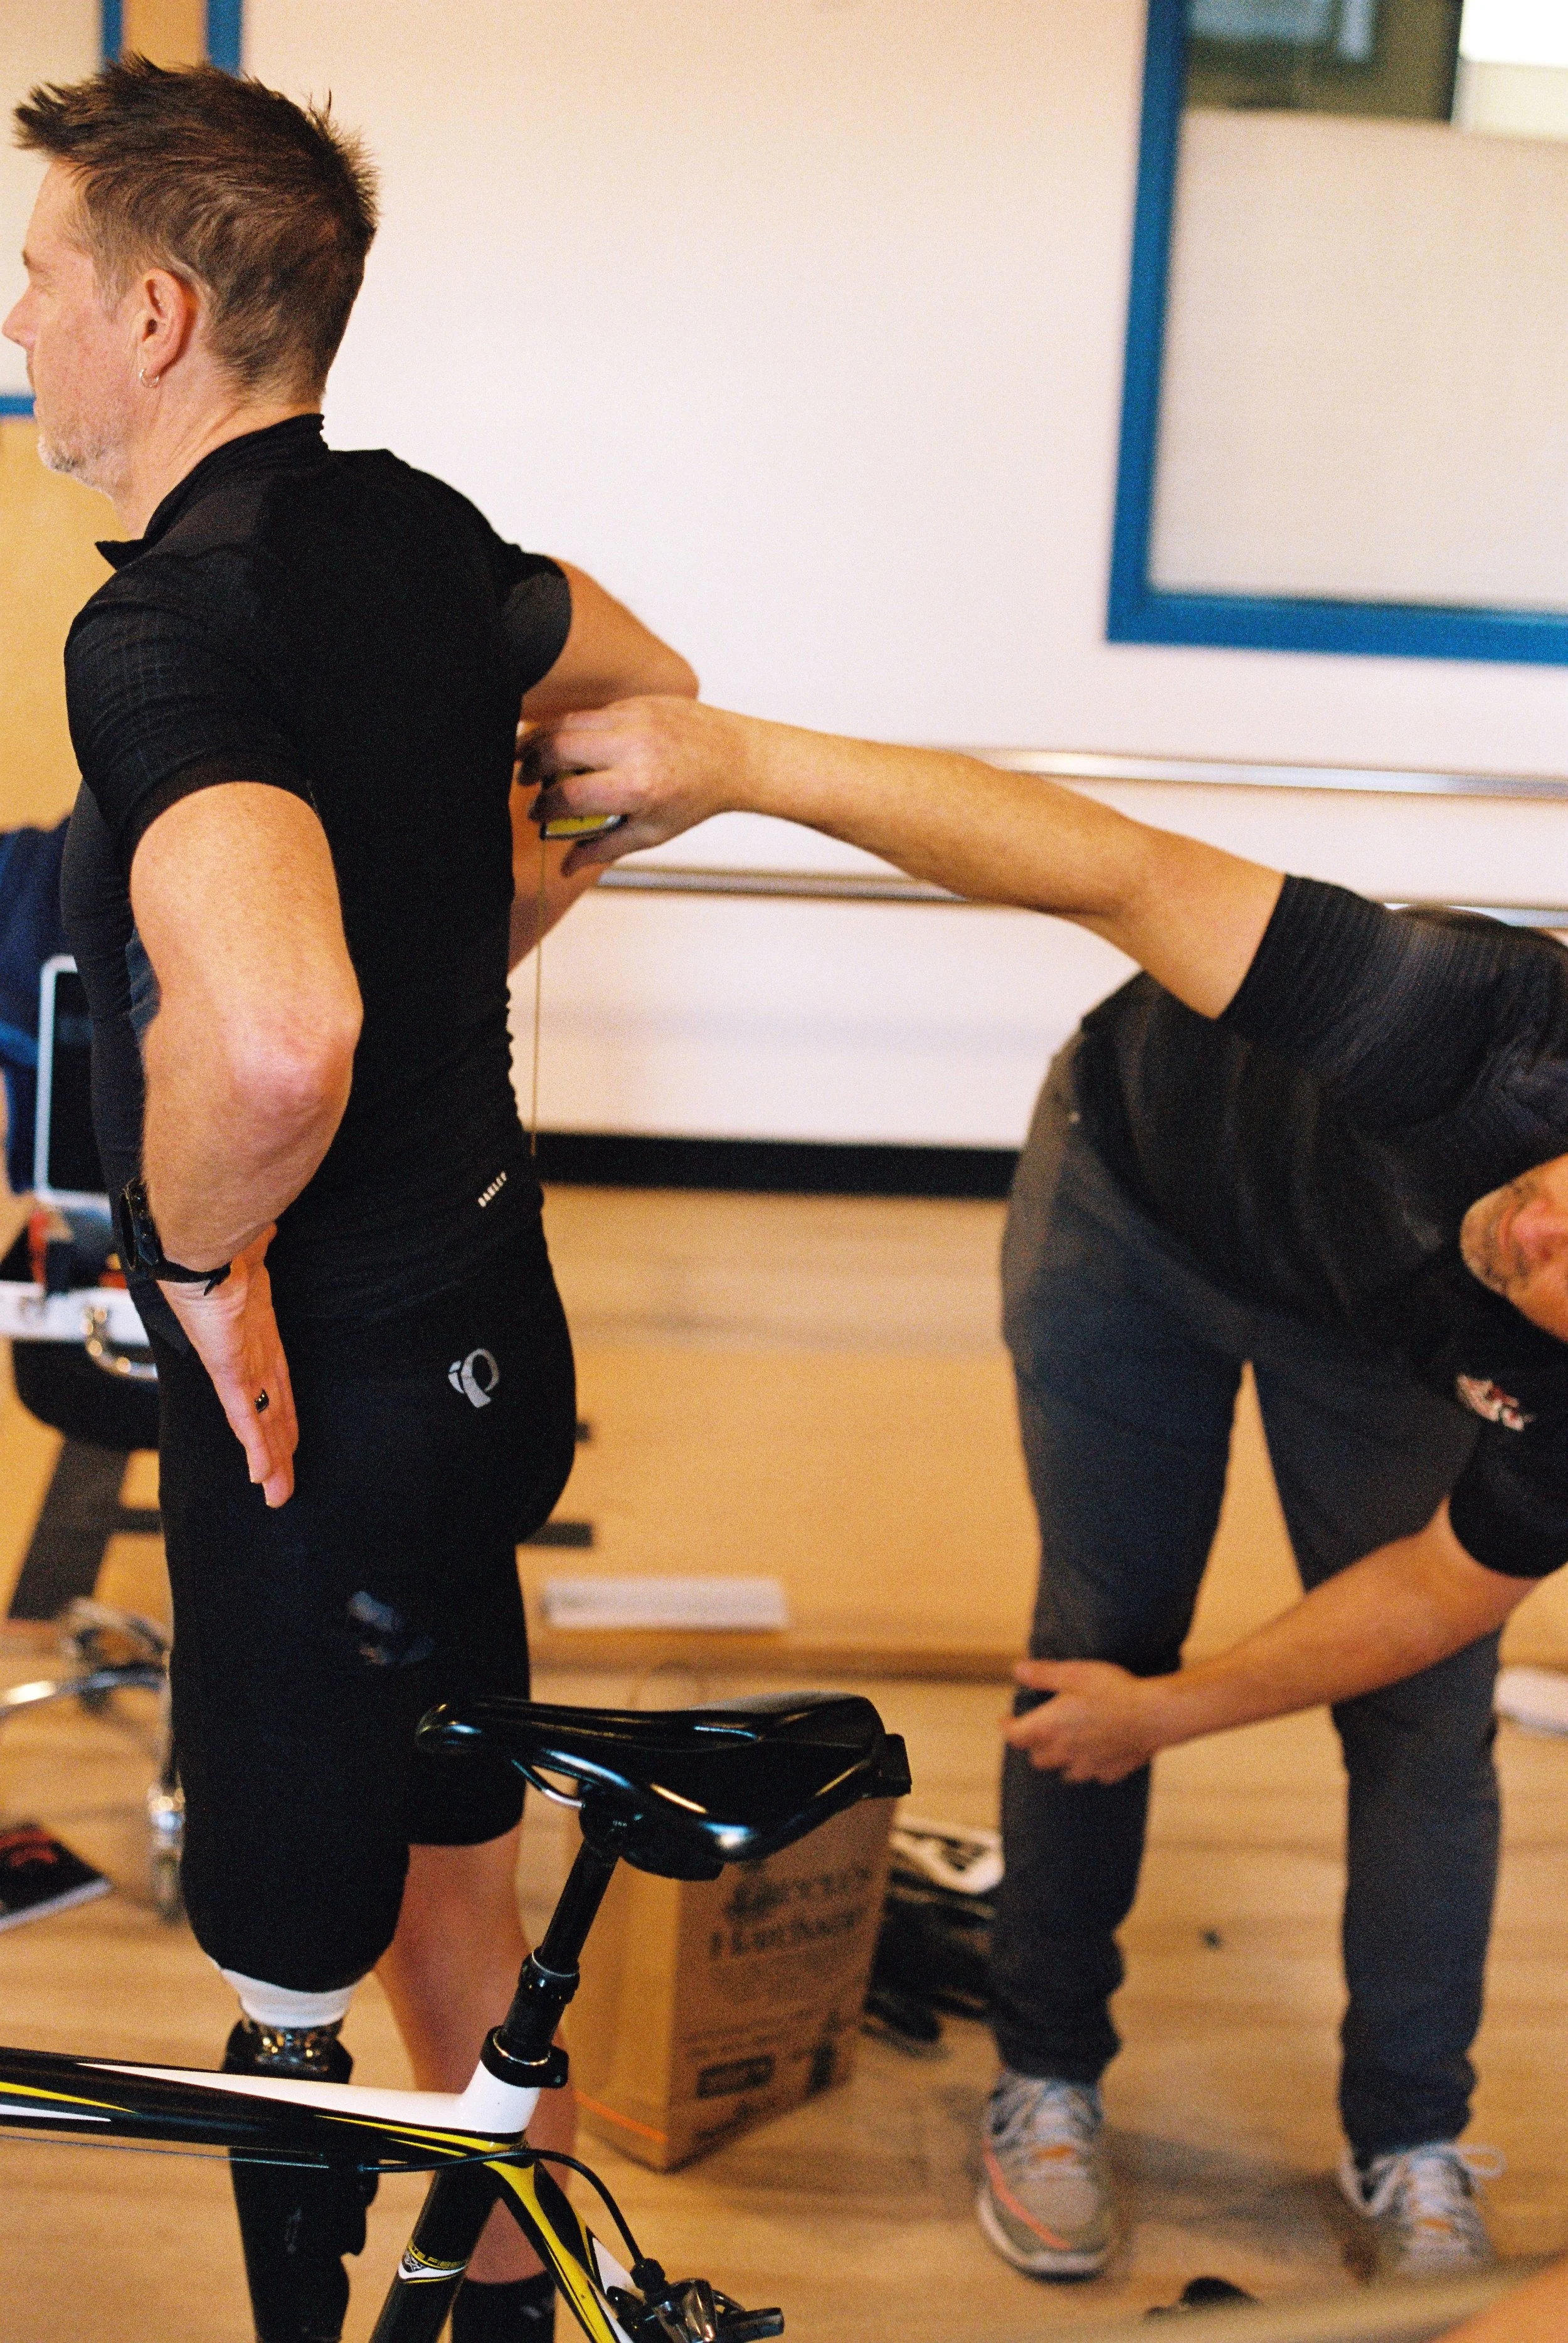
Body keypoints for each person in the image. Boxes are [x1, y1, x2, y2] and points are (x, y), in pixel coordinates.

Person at [526, 695, 1568, 2322]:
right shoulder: (1490, 1033)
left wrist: (1178, 1717)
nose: (1543, 1241)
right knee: (1096, 1632)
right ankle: (1048, 2075)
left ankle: (1412, 2144)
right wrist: (744, 766)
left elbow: (1439, 1593)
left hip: (1373, 1332)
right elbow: (1119, 870)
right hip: (1136, 1199)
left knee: (1423, 1717)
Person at [3, 58, 696, 2343]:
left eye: (40, 281)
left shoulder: (168, 631)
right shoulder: (412, 529)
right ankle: (517, 2300)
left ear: (162, 311)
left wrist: (197, 1267)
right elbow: (647, 699)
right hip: (489, 1337)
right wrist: (495, 915)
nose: (23, 326)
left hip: (319, 1401)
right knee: (454, 1865)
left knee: (287, 1967)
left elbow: (278, 1037)